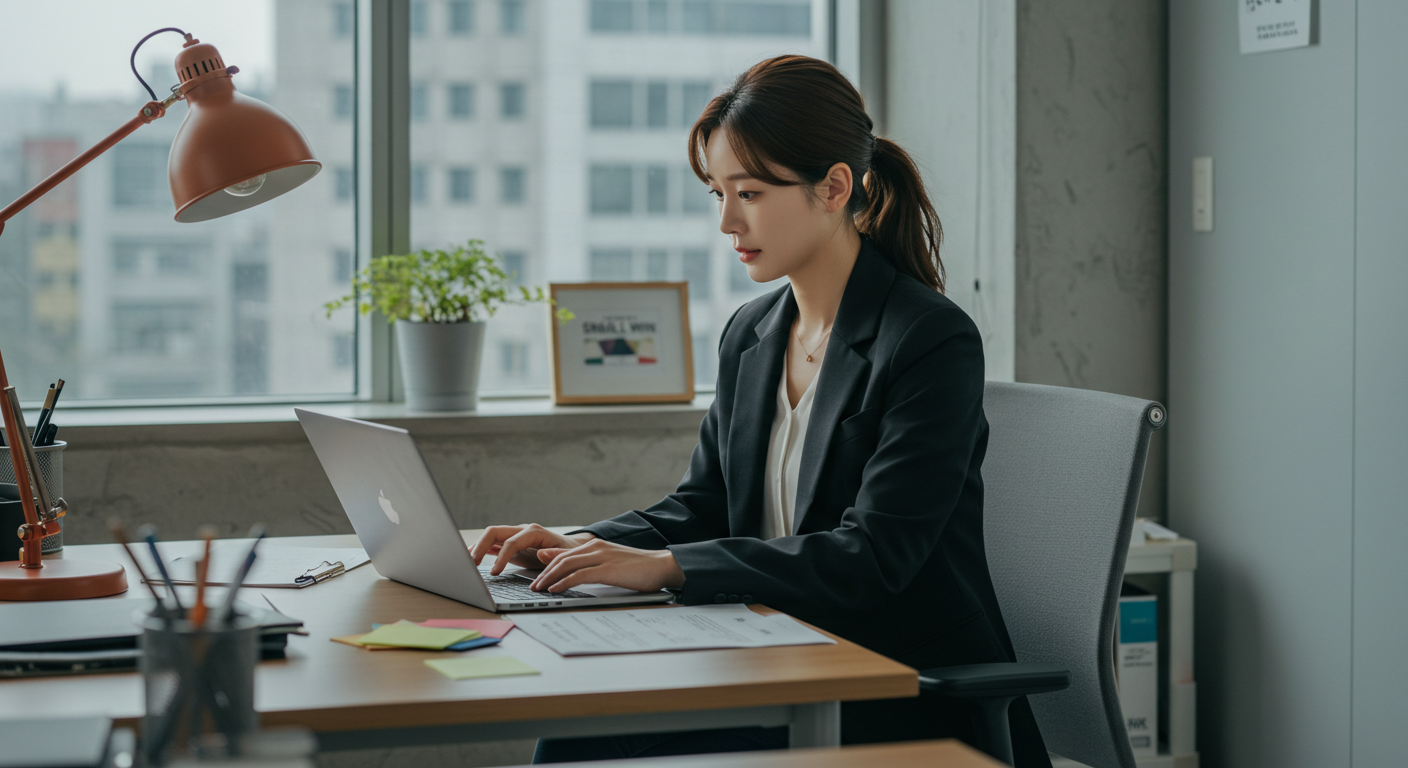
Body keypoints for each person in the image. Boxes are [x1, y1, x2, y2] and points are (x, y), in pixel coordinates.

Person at [470, 54, 1050, 767]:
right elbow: (703, 502)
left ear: (834, 187)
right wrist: (573, 544)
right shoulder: (752, 332)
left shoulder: (929, 338)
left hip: (895, 684)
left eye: (748, 192)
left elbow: (873, 557)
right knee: (579, 732)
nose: (726, 222)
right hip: (776, 654)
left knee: (598, 740)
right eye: (717, 193)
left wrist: (668, 568)